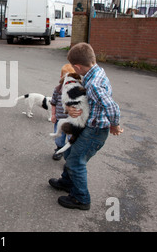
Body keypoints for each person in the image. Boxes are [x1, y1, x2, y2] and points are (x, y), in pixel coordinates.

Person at [48, 43, 123, 210]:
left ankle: (81, 199)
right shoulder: (95, 72)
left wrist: (114, 125)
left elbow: (111, 106)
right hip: (87, 125)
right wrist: (68, 107)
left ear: (77, 67)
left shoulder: (94, 83)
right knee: (69, 152)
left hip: (95, 131)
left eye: (75, 70)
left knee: (76, 161)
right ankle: (67, 182)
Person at [50, 63, 76, 161]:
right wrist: (53, 115)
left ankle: (69, 153)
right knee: (59, 137)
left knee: (71, 138)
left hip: (71, 121)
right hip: (59, 119)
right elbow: (53, 103)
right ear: (61, 77)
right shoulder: (57, 89)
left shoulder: (76, 91)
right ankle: (59, 149)